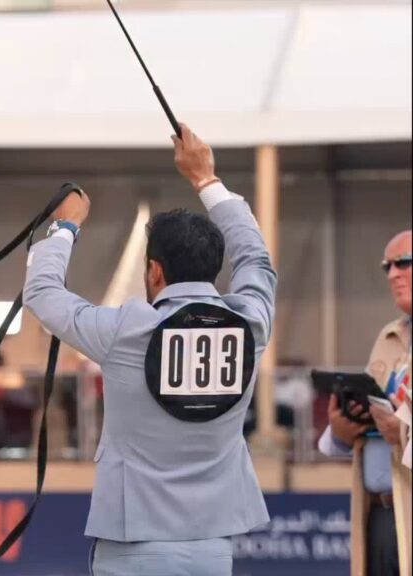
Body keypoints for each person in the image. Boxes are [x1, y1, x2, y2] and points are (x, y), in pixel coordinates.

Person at [24, 124, 275, 575]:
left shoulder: (126, 330)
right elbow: (256, 258)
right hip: (212, 550)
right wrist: (206, 179)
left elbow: (42, 294)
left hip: (132, 547)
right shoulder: (250, 324)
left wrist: (64, 227)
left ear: (154, 271)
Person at [318, 229, 412, 576]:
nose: (393, 274)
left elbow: (400, 428)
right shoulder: (389, 337)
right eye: (388, 266)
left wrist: (402, 433)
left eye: (404, 263)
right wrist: (342, 430)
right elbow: (375, 412)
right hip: (382, 512)